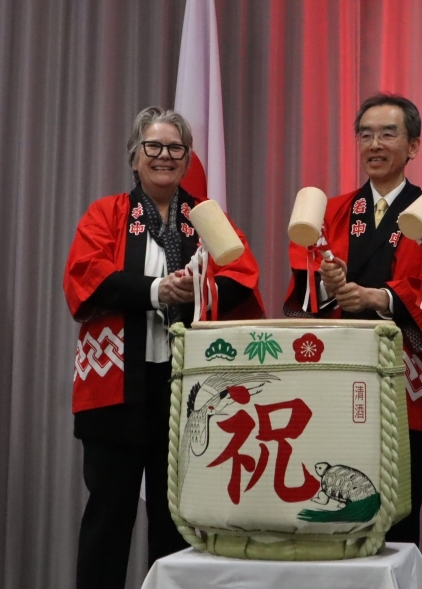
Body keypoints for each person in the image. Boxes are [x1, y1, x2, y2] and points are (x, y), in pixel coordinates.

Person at [64, 107, 264, 589]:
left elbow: (242, 275)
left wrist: (199, 290)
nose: (164, 156)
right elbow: (86, 279)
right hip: (116, 388)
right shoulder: (107, 213)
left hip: (186, 390)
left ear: (187, 158)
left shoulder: (206, 217)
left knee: (178, 520)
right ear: (135, 158)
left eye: (175, 148)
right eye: (153, 147)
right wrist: (158, 291)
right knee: (108, 517)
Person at [283, 93, 422, 545]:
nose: (375, 144)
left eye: (388, 133)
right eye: (365, 134)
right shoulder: (334, 211)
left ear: (414, 147)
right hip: (335, 381)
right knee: (336, 506)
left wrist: (374, 297)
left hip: (403, 382)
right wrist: (327, 282)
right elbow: (304, 289)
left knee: (397, 514)